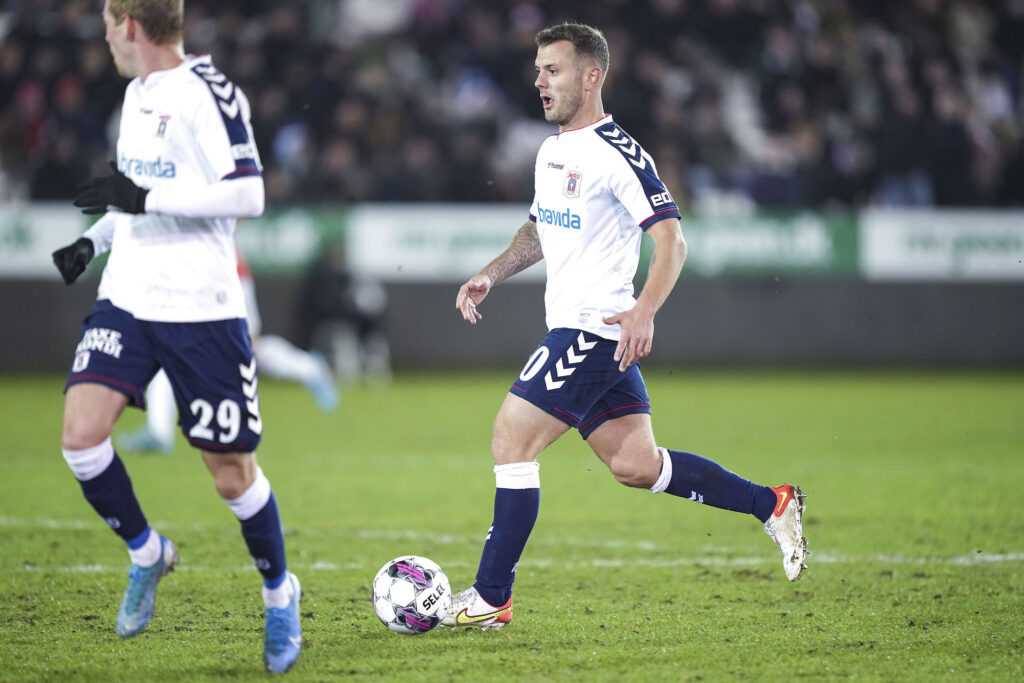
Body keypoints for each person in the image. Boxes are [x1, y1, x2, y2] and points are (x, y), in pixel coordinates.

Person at [442, 23, 808, 630]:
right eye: (537, 69)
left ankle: (489, 598)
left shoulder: (619, 154)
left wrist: (643, 310)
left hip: (591, 331)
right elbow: (539, 228)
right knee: (638, 466)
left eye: (552, 70)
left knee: (512, 439)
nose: (538, 81)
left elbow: (673, 242)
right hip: (582, 330)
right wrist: (492, 273)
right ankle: (772, 504)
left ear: (592, 76)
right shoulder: (551, 150)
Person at [50, 0, 301, 673]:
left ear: (129, 24)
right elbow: (133, 195)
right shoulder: (136, 95)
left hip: (201, 309)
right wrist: (92, 239)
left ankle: (280, 591)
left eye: (108, 22)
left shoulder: (208, 93)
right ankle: (147, 552)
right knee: (80, 435)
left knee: (229, 475)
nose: (104, 35)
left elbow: (248, 195)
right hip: (128, 299)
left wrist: (141, 203)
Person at [119, 249, 339, 455]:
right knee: (173, 361)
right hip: (211, 278)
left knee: (250, 348)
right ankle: (158, 432)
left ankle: (311, 368)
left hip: (225, 277)